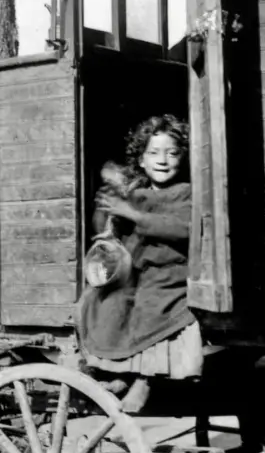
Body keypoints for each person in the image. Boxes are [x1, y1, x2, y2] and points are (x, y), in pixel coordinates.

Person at [77, 114, 202, 413]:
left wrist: (132, 214)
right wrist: (107, 207)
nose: (163, 160)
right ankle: (117, 371)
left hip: (170, 272)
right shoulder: (135, 194)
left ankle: (145, 381)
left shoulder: (185, 193)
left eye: (172, 153)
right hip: (138, 272)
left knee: (151, 307)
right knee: (100, 301)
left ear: (183, 158)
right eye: (154, 153)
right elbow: (108, 230)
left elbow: (182, 229)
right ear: (142, 160)